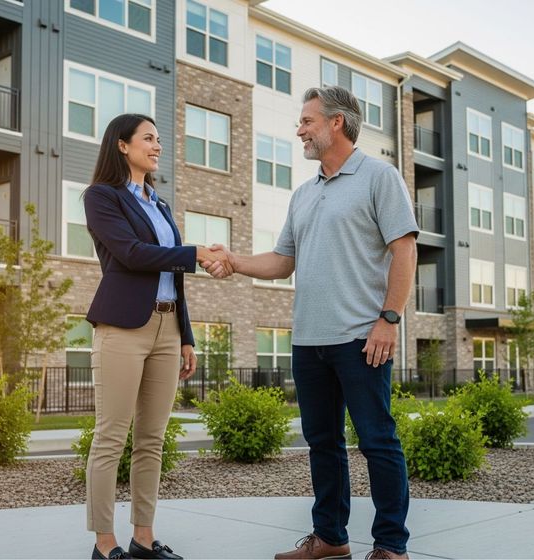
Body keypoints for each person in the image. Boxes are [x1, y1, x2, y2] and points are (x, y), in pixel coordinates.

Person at [204, 87, 418, 559]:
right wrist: (234, 261)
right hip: (309, 340)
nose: (299, 130)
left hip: (362, 337)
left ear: (336, 123)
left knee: (378, 441)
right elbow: (284, 262)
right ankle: (330, 538)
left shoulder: (379, 177)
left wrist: (389, 319)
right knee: (322, 443)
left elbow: (405, 248)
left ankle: (391, 547)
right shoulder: (303, 194)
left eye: (306, 121)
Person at [83, 113, 230, 560]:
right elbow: (130, 253)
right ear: (122, 145)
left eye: (158, 138)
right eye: (148, 138)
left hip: (168, 326)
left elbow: (172, 275)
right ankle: (105, 545)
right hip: (123, 327)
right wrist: (194, 253)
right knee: (111, 436)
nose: (157, 145)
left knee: (152, 439)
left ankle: (143, 539)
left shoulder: (160, 205)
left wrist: (185, 336)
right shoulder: (101, 197)